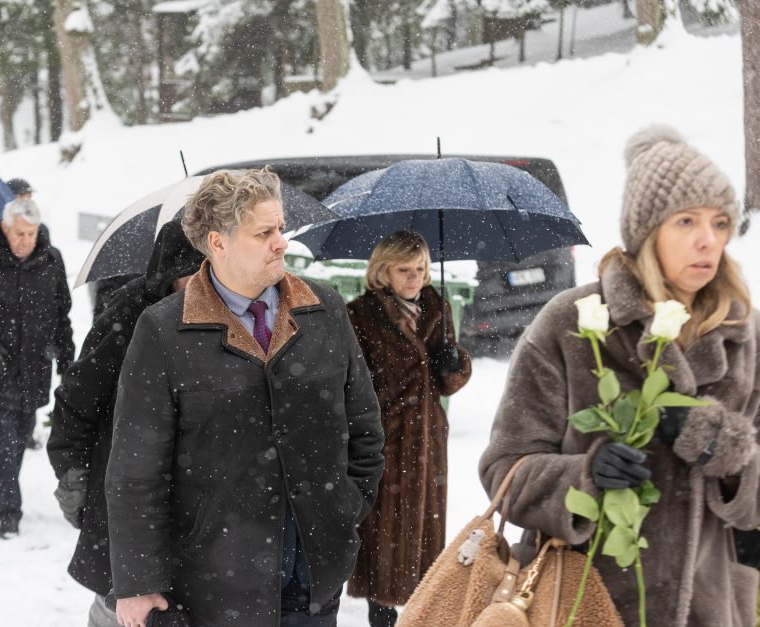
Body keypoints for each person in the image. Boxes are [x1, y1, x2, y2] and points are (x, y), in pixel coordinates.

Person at [479, 125, 760, 626]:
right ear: (646, 232)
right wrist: (583, 475)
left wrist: (720, 444)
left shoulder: (741, 334)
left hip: (707, 608)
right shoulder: (571, 321)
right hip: (583, 603)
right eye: (686, 221)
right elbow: (505, 471)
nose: (707, 240)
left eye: (720, 223)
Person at [105, 168, 385, 627]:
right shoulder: (163, 329)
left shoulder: (324, 309)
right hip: (214, 577)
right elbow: (137, 470)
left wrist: (344, 508)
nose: (282, 242)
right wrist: (138, 581)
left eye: (281, 229)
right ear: (218, 243)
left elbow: (365, 428)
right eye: (264, 233)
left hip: (313, 568)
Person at [48, 221, 204, 627]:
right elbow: (76, 398)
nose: (203, 286)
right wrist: (73, 475)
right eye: (194, 274)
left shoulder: (230, 314)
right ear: (171, 273)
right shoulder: (132, 311)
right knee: (119, 600)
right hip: (123, 482)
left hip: (192, 499)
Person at [345, 230, 472, 627]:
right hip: (385, 440)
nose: (414, 278)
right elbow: (352, 381)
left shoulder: (437, 306)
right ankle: (380, 618)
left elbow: (447, 380)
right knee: (384, 540)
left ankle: (420, 614)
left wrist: (454, 365)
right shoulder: (360, 315)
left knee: (426, 538)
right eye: (405, 270)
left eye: (420, 269)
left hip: (429, 440)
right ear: (383, 270)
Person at [0, 198, 74, 539]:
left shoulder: (50, 259)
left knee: (17, 439)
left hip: (35, 366)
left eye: (30, 233)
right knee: (1, 439)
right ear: (4, 228)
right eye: (18, 233)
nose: (24, 240)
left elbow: (62, 313)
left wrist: (66, 358)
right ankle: (8, 509)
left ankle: (2, 492)